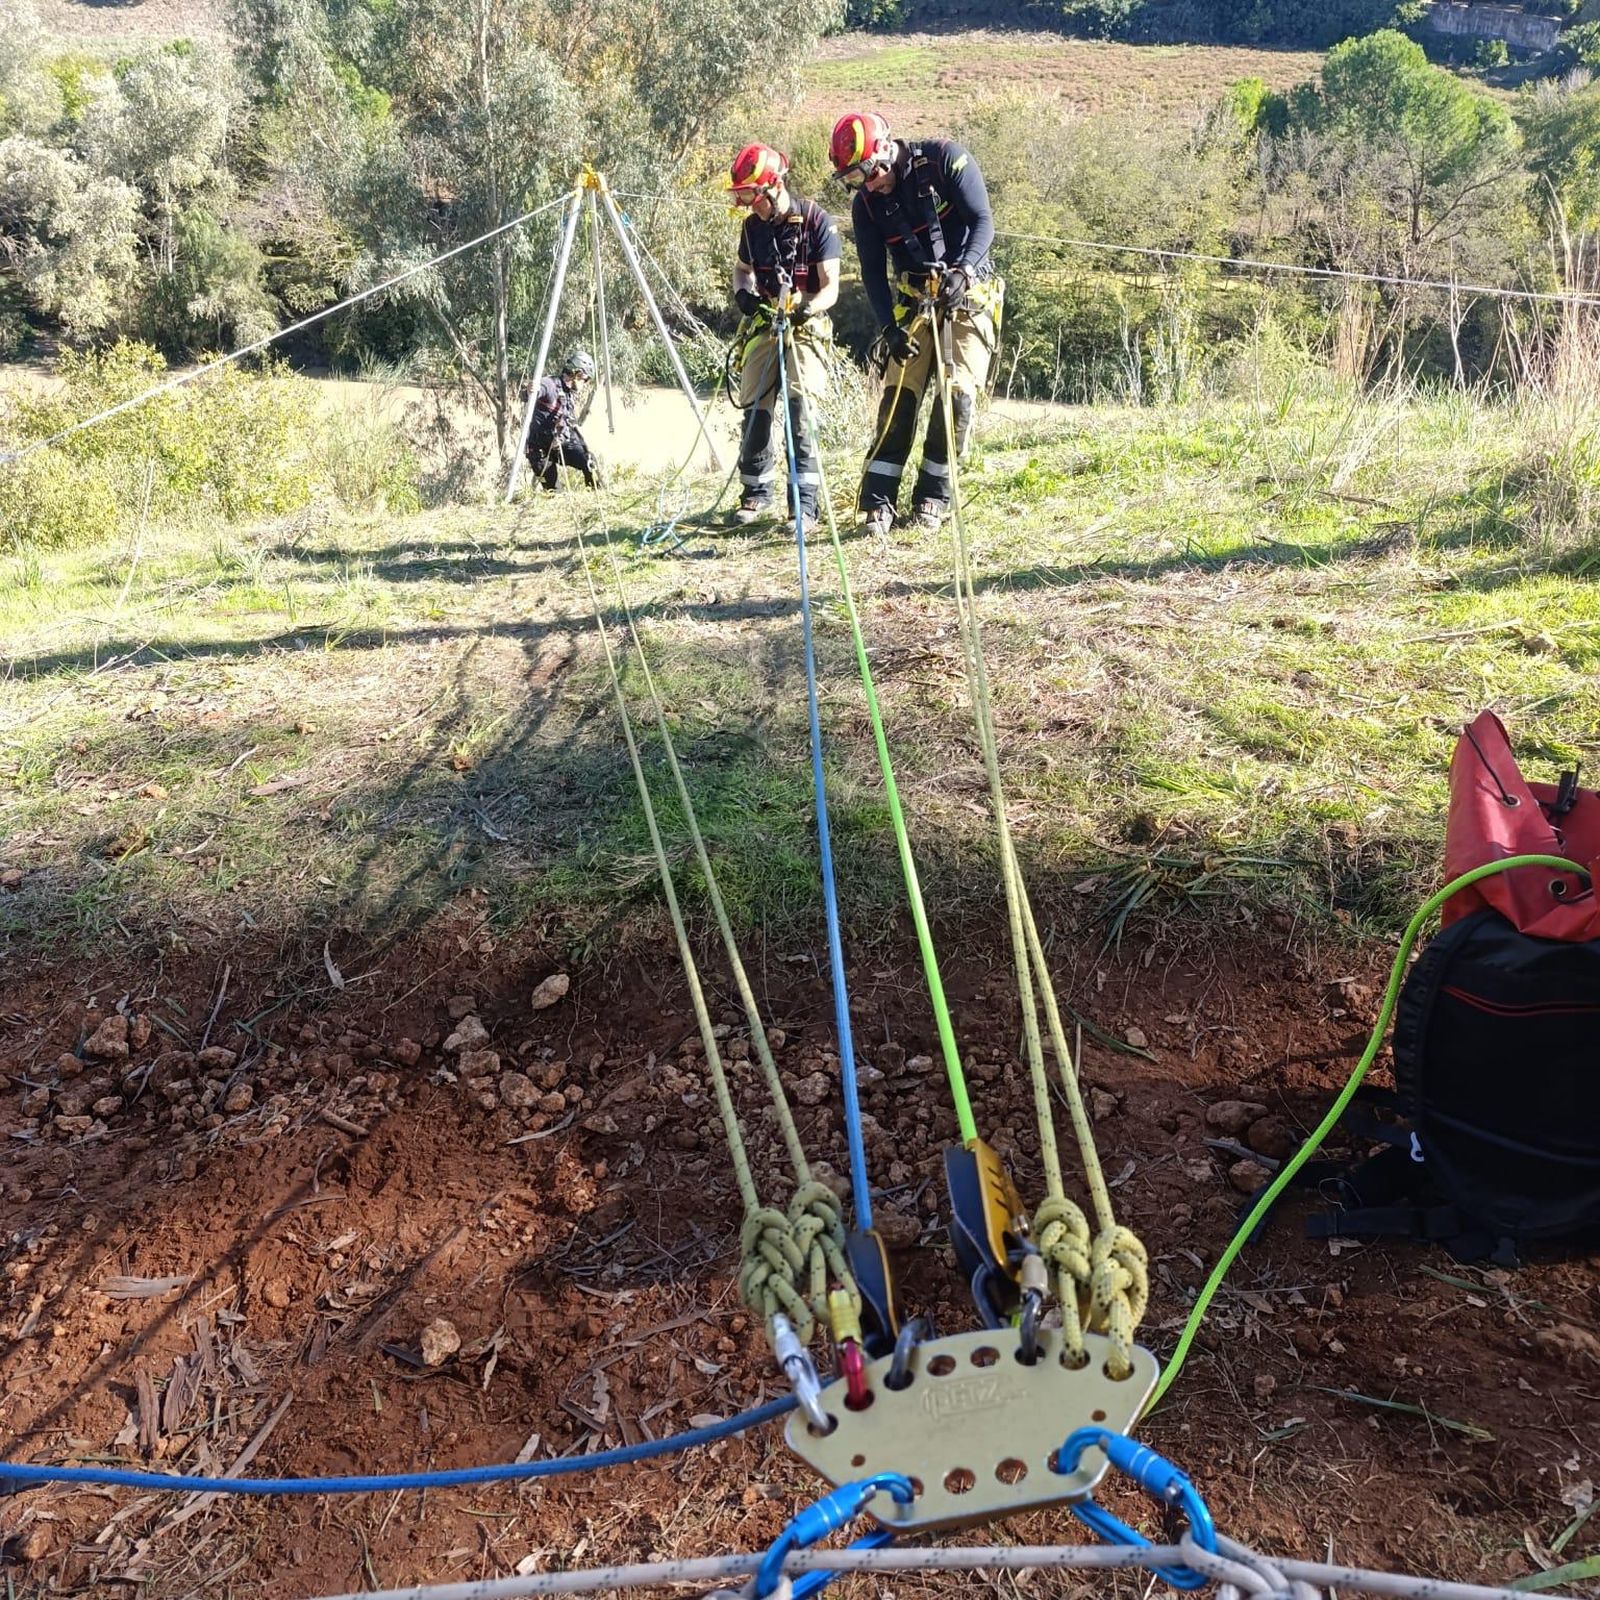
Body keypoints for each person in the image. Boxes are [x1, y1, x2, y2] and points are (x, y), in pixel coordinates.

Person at [829, 110, 1002, 536]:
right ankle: (878, 501)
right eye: (856, 179)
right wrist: (889, 329)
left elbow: (983, 222)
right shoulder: (866, 204)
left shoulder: (945, 160)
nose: (869, 184)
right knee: (898, 399)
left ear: (887, 149)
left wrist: (963, 271)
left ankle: (933, 497)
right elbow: (872, 272)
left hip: (968, 294)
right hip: (915, 302)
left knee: (957, 397)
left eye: (870, 172)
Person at [726, 142, 841, 532]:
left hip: (806, 326)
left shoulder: (816, 220)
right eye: (743, 198)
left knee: (799, 408)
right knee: (754, 403)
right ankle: (755, 492)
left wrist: (808, 307)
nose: (749, 206)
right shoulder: (752, 228)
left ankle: (803, 504)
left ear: (774, 185)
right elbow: (743, 270)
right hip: (766, 321)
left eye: (752, 196)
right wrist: (743, 293)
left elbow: (831, 286)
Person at [526, 349, 598, 490]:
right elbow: (535, 390)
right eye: (585, 380)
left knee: (589, 463)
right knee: (553, 492)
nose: (585, 383)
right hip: (539, 451)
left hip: (560, 444)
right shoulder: (550, 384)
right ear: (578, 374)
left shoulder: (568, 393)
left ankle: (595, 494)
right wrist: (531, 389)